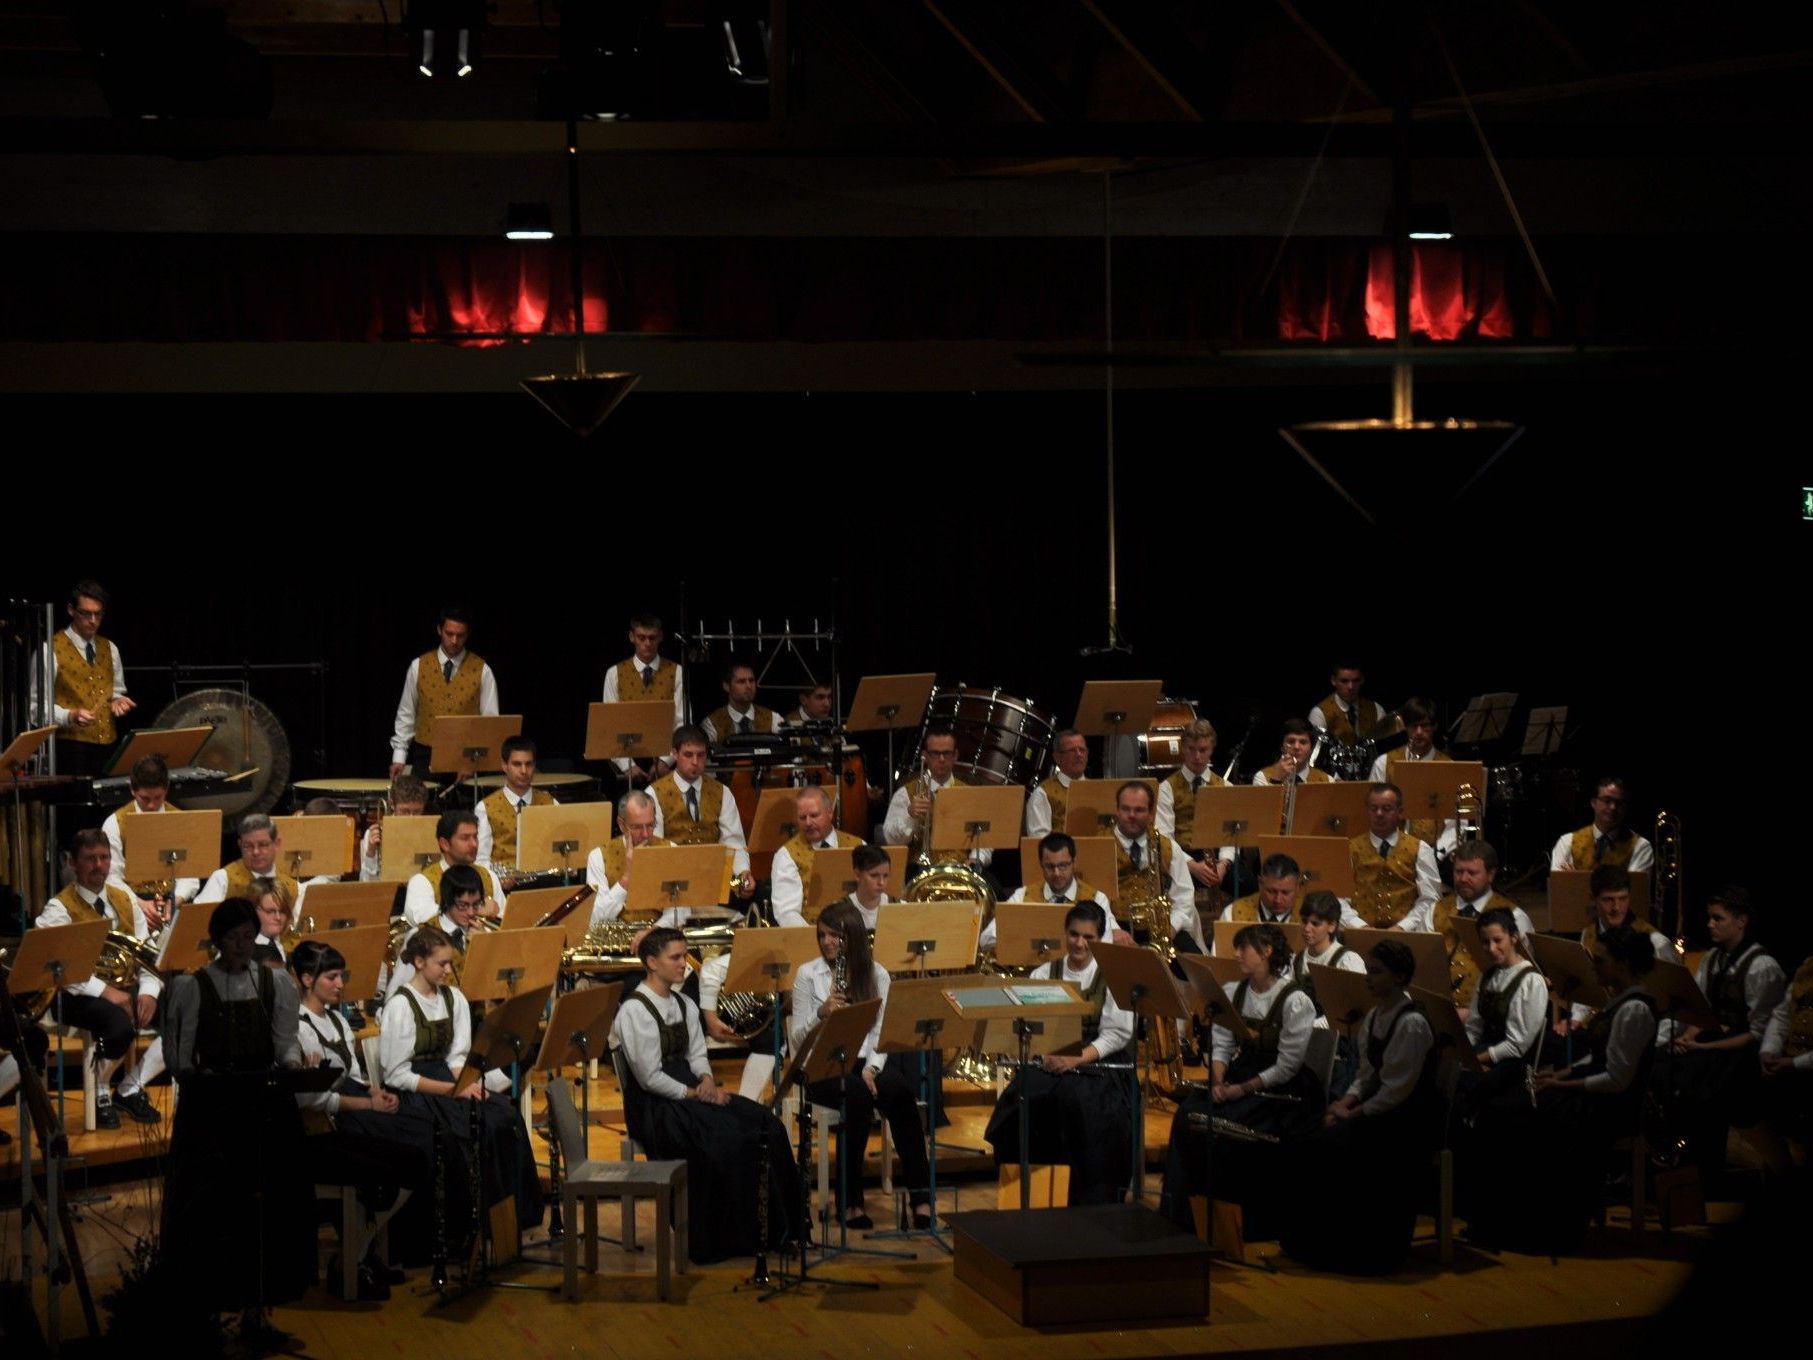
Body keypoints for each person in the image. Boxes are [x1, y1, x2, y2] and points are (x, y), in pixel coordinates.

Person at [159, 900, 315, 1323]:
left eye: (249, 936)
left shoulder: (273, 984)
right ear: (217, 941)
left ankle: (258, 1311)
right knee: (215, 1209)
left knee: (264, 1213)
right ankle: (208, 1310)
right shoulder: (194, 987)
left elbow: (285, 1043)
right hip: (214, 1113)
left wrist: (295, 1066)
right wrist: (203, 1077)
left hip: (263, 1110)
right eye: (234, 938)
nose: (243, 946)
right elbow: (179, 1060)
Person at [609, 927, 800, 1263]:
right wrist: (694, 1093)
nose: (685, 964)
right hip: (657, 1106)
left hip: (692, 1090)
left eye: (685, 956)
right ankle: (720, 1240)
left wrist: (707, 1079)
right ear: (652, 962)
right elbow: (649, 1076)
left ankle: (775, 1230)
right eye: (676, 957)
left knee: (765, 1124)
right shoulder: (635, 1011)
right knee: (723, 1140)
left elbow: (697, 1052)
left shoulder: (683, 1002)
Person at [378, 925, 542, 1259]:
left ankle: (510, 1221)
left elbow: (456, 1057)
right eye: (442, 963)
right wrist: (454, 1091)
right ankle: (469, 1224)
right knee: (473, 1126)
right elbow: (397, 1074)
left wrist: (466, 1084)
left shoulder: (453, 999)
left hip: (449, 1080)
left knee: (504, 1114)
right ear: (420, 962)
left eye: (450, 963)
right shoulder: (401, 1006)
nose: (449, 970)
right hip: (419, 1090)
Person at [1496, 925, 1662, 1252]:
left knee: (1526, 1118)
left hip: (1610, 1108)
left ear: (1624, 964)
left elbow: (1616, 1079)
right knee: (1516, 1105)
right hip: (1594, 1097)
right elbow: (1596, 1056)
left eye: (1600, 961)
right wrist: (1557, 1078)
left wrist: (1563, 1083)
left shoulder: (1635, 1009)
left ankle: (1547, 1226)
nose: (1594, 967)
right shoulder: (1620, 1002)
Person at [1280, 940, 1439, 1272]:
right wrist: (1343, 1103)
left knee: (1332, 1148)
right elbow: (1366, 1075)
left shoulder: (1411, 1023)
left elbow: (1396, 1090)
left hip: (1403, 1121)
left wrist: (1351, 1115)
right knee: (1304, 1136)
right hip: (1375, 1108)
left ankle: (1355, 1248)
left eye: (1376, 972)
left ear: (1399, 977)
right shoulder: (1376, 1015)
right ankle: (1311, 1242)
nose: (1368, 979)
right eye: (1368, 970)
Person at [1162, 922, 1322, 1232]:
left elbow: (1287, 1065)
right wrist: (1219, 1080)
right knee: (1187, 1115)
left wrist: (1240, 1090)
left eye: (1243, 948)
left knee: (1224, 1130)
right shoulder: (1234, 991)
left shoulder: (1295, 1000)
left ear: (1266, 952)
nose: (1237, 954)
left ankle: (1233, 1224)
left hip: (1279, 1088)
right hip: (1239, 1074)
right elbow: (1222, 1042)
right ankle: (1182, 1216)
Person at [790, 901, 931, 1228]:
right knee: (856, 1097)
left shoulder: (877, 973)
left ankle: (921, 1198)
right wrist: (821, 1013)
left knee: (899, 1092)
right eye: (822, 935)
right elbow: (797, 1039)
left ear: (852, 937)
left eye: (835, 936)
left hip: (865, 1063)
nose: (827, 942)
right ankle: (849, 1202)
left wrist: (872, 1069)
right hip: (822, 1066)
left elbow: (881, 1032)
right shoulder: (807, 975)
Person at [986, 902, 1136, 1206]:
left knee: (1079, 1105)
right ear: (1065, 933)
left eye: (1089, 937)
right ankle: (1027, 1195)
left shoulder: (1111, 976)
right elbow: (1031, 1025)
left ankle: (1086, 1201)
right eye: (1074, 934)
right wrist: (1046, 1056)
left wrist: (1076, 1058)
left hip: (1098, 1062)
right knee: (1020, 1100)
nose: (1080, 943)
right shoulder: (1045, 972)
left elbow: (1117, 1034)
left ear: (1100, 937)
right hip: (1051, 1058)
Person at [290, 940, 419, 1294]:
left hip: (353, 1116)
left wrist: (375, 1093)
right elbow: (314, 1100)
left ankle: (361, 1251)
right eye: (330, 977)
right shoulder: (298, 1028)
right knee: (389, 1164)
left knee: (414, 1150)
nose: (339, 984)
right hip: (321, 1130)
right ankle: (355, 1259)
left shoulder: (337, 1020)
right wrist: (367, 1106)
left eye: (340, 976)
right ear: (305, 979)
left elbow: (356, 1077)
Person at [35, 829, 163, 1126]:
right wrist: (106, 992)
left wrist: (149, 992)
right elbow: (53, 965)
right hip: (77, 994)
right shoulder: (59, 908)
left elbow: (147, 952)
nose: (98, 865)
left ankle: (130, 1087)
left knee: (184, 1012)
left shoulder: (126, 899)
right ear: (73, 863)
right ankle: (102, 1089)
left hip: (127, 986)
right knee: (119, 1024)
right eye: (90, 859)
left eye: (104, 858)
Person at [1656, 887, 1784, 1178]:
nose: (1710, 924)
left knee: (1698, 1079)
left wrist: (1705, 1048)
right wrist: (1689, 1037)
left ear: (1741, 922)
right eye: (1709, 918)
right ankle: (1676, 1156)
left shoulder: (1761, 966)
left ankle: (1705, 1165)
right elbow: (1703, 1011)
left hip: (1743, 1053)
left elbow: (1758, 1033)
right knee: (1664, 1061)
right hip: (1714, 1043)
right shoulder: (1712, 959)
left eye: (1718, 918)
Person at [1398, 841, 1533, 1009]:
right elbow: (1421, 965)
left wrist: (1475, 1014)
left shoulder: (1515, 918)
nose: (1463, 879)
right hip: (1439, 1011)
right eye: (1458, 872)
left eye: (1472, 873)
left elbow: (1523, 981)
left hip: (1490, 1016)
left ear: (1491, 875)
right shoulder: (1435, 911)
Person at [35, 579, 135, 777]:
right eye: (86, 613)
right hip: (70, 750)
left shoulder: (110, 648)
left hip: (108, 747)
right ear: (71, 610)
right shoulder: (50, 650)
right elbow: (35, 711)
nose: (93, 620)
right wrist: (70, 715)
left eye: (98, 614)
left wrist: (118, 701)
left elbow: (115, 692)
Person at [647, 725, 755, 904]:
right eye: (688, 755)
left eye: (701, 755)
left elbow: (734, 843)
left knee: (742, 886)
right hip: (674, 881)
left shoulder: (723, 793)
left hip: (717, 879)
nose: (695, 762)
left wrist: (743, 873)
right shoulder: (653, 794)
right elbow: (654, 848)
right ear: (674, 754)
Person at [388, 605, 499, 778]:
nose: (454, 641)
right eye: (449, 634)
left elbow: (490, 724)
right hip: (425, 757)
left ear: (467, 635)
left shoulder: (483, 670)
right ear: (439, 630)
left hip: (466, 759)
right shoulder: (418, 666)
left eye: (460, 635)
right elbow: (406, 714)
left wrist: (474, 763)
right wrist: (399, 757)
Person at [983, 832, 1126, 950]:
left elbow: (1109, 943)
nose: (1057, 873)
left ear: (1074, 863)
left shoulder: (1097, 899)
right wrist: (1017, 942)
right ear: (1041, 865)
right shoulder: (1022, 896)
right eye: (1050, 866)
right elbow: (987, 939)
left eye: (1063, 865)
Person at [101, 753, 199, 924]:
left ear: (167, 788)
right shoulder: (114, 824)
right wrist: (139, 904)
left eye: (158, 798)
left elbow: (189, 874)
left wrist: (174, 902)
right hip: (129, 904)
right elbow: (111, 877)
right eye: (145, 799)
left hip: (172, 901)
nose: (152, 805)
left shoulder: (180, 820)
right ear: (132, 789)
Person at [882, 725, 990, 872]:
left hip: (962, 869)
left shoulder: (969, 794)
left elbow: (984, 837)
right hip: (919, 869)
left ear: (955, 755)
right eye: (935, 754)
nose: (941, 759)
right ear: (925, 756)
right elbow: (891, 840)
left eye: (947, 753)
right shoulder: (905, 793)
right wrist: (911, 816)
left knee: (994, 891)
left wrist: (976, 859)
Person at [1108, 781, 1199, 953]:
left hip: (1160, 927)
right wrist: (1113, 929)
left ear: (1151, 814)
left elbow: (1184, 895)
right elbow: (1092, 896)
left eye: (1139, 810)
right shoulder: (1099, 846)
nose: (1131, 815)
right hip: (1115, 927)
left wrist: (1171, 927)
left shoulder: (1168, 847)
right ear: (1117, 811)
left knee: (1195, 964)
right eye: (1125, 809)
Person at [1154, 719, 1234, 909]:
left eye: (1203, 750)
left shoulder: (1226, 787)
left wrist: (1223, 864)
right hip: (1183, 856)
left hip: (1217, 855)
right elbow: (1165, 837)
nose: (1197, 756)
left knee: (1248, 885)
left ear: (1212, 749)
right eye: (1191, 749)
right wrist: (1192, 866)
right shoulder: (1166, 788)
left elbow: (1231, 834)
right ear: (1183, 748)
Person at [601, 613, 686, 783]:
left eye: (652, 638)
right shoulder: (614, 674)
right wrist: (626, 765)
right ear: (632, 637)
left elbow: (681, 722)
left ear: (660, 637)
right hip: (627, 761)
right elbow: (611, 725)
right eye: (642, 638)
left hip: (666, 760)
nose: (647, 643)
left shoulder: (677, 672)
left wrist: (665, 760)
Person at [1346, 783, 1440, 930]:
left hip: (1408, 937)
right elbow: (1339, 899)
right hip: (1359, 934)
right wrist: (1360, 926)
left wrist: (1403, 926)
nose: (1379, 813)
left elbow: (1430, 898)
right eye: (1373, 808)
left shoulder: (1420, 849)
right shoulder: (1350, 849)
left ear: (1400, 812)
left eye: (1386, 809)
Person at [584, 791, 683, 929]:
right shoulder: (598, 856)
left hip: (660, 936)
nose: (645, 834)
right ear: (622, 824)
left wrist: (653, 930)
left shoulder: (671, 850)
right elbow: (594, 920)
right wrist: (626, 878)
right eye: (636, 827)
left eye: (650, 825)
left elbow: (681, 909)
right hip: (615, 939)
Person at [386, 865, 486, 1000]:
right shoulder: (421, 936)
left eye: (476, 904)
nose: (471, 912)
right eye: (463, 905)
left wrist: (483, 946)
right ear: (447, 900)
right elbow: (396, 991)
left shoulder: (484, 933)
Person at [771, 785, 865, 928]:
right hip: (813, 939)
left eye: (814, 815)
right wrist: (817, 939)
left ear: (830, 813)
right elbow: (787, 913)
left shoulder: (858, 846)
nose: (808, 823)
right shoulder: (786, 855)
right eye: (802, 817)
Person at [1368, 697, 1454, 851]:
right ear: (1405, 727)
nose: (1419, 732)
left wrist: (1437, 852)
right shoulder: (1384, 763)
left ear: (1434, 726)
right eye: (1413, 726)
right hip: (1392, 852)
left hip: (1436, 852)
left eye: (1425, 726)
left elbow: (1455, 822)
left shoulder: (1448, 767)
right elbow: (1372, 812)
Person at [193, 813, 309, 922]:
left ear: (277, 844)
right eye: (248, 846)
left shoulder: (294, 888)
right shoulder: (223, 879)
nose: (256, 852)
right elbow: (200, 922)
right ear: (240, 845)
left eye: (263, 844)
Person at [402, 811, 504, 926]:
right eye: (465, 838)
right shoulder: (422, 881)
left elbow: (505, 919)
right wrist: (477, 909)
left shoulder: (489, 876)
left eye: (475, 837)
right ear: (444, 844)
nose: (474, 844)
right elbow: (421, 917)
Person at [476, 736, 554, 870]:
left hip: (545, 880)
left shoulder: (551, 803)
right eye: (517, 764)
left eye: (529, 764)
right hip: (505, 885)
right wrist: (498, 879)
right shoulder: (485, 808)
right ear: (504, 765)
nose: (524, 771)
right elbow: (481, 859)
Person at [1549, 775, 1654, 872]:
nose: (1613, 807)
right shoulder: (1567, 842)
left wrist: (1577, 879)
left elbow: (1632, 890)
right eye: (1607, 800)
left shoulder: (1641, 846)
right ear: (1593, 802)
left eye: (1619, 803)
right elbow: (1560, 886)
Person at [357, 776, 429, 882]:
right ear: (392, 805)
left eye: (417, 811)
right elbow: (365, 882)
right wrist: (371, 852)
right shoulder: (375, 833)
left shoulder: (430, 831)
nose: (411, 817)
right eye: (405, 811)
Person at [1024, 728, 1089, 839]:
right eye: (1072, 750)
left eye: (1082, 750)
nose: (1079, 754)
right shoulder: (1042, 794)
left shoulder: (1098, 790)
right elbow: (1039, 844)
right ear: (1057, 757)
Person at [1308, 660, 1391, 744]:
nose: (1350, 687)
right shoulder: (1319, 713)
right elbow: (1316, 750)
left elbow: (1385, 745)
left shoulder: (1376, 709)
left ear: (1362, 680)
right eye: (1344, 681)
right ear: (1333, 681)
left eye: (1355, 681)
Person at [701, 660, 783, 744]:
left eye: (751, 680)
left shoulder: (773, 719)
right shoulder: (712, 724)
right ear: (726, 686)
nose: (748, 686)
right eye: (741, 681)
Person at [1252, 719, 1333, 787]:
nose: (1297, 747)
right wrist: (1276, 780)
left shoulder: (1327, 781)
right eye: (1291, 741)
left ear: (1311, 749)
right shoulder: (1262, 777)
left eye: (1303, 742)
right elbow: (1266, 805)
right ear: (1282, 747)